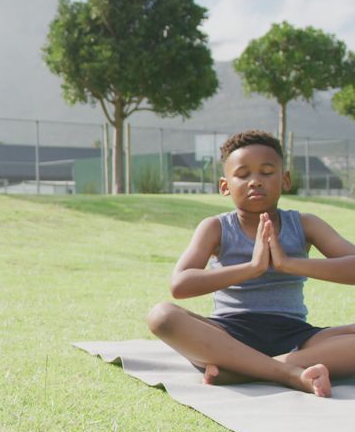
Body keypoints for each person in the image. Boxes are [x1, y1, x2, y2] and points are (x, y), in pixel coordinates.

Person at [147, 130, 355, 397]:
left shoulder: (305, 224)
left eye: (267, 172)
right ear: (225, 186)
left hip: (295, 336)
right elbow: (180, 285)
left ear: (285, 179)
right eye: (243, 174)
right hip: (229, 335)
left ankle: (243, 371)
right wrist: (252, 268)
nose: (255, 181)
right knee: (162, 316)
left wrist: (288, 263)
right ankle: (286, 372)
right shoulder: (216, 228)